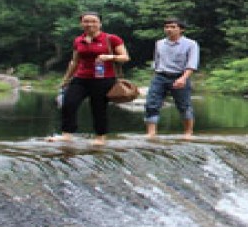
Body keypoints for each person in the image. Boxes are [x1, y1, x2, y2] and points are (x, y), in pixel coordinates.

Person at [52, 12, 130, 146]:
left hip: (103, 79)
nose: (89, 24)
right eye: (86, 21)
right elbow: (74, 62)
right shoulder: (78, 40)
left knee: (98, 108)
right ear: (81, 23)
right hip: (81, 78)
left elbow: (125, 57)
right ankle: (67, 135)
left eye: (93, 21)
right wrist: (66, 79)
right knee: (68, 103)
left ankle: (100, 137)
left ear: (100, 23)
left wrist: (110, 57)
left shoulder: (111, 39)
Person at [144, 18, 200, 141]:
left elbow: (192, 64)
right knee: (151, 103)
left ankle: (188, 132)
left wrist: (183, 78)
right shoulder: (159, 43)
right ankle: (151, 133)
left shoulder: (191, 44)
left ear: (181, 29)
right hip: (160, 75)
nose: (169, 29)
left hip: (180, 75)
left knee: (184, 105)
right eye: (167, 27)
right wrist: (154, 76)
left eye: (173, 27)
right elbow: (157, 61)